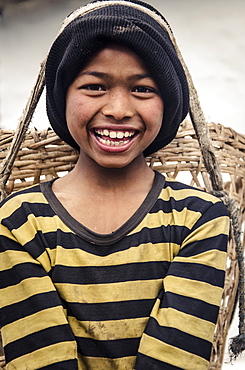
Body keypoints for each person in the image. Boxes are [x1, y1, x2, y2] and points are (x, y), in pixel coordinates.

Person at [0, 1, 230, 369]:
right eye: (94, 86)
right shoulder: (18, 221)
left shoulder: (199, 218)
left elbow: (173, 360)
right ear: (62, 97)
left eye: (142, 90)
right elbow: (41, 359)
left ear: (168, 105)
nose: (119, 108)